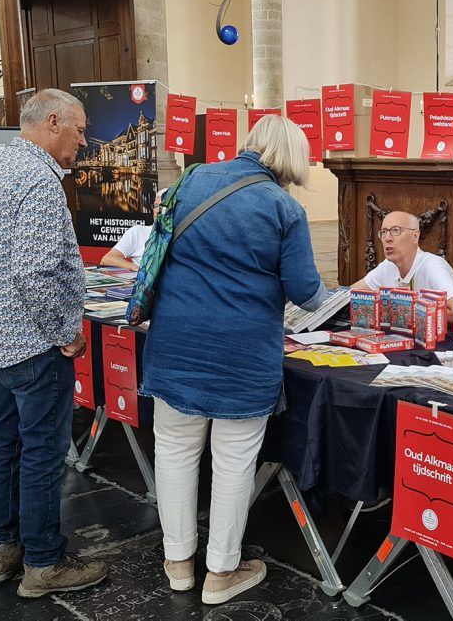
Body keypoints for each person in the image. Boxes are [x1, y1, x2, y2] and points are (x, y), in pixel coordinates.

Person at [140, 114, 326, 605]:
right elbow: (307, 293)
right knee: (234, 463)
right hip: (243, 354)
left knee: (174, 452)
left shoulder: (195, 177)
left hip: (176, 343)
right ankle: (221, 573)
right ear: (291, 159)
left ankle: (178, 562)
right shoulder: (283, 209)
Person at [0, 89, 108, 597]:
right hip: (33, 345)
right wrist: (65, 332)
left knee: (3, 442)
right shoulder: (39, 182)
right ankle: (44, 563)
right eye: (80, 129)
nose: (84, 140)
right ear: (52, 123)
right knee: (42, 452)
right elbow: (34, 273)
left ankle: (1, 554)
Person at [351, 210, 453, 321]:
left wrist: (407, 311)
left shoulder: (432, 266)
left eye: (396, 230)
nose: (387, 238)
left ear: (415, 236)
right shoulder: (388, 266)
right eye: (383, 232)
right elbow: (350, 294)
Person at [100, 188, 167, 270]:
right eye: (156, 206)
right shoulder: (138, 232)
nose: (157, 211)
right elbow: (108, 259)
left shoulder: (180, 236)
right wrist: (139, 270)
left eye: (162, 208)